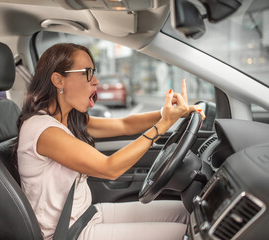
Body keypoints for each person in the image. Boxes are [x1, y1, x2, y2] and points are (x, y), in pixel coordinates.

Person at [14, 43, 205, 240]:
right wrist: (162, 126)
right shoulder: (43, 130)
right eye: (87, 73)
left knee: (187, 212)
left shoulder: (66, 120)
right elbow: (109, 168)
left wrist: (167, 114)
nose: (96, 81)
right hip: (66, 233)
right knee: (187, 233)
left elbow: (124, 124)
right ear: (58, 80)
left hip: (86, 216)